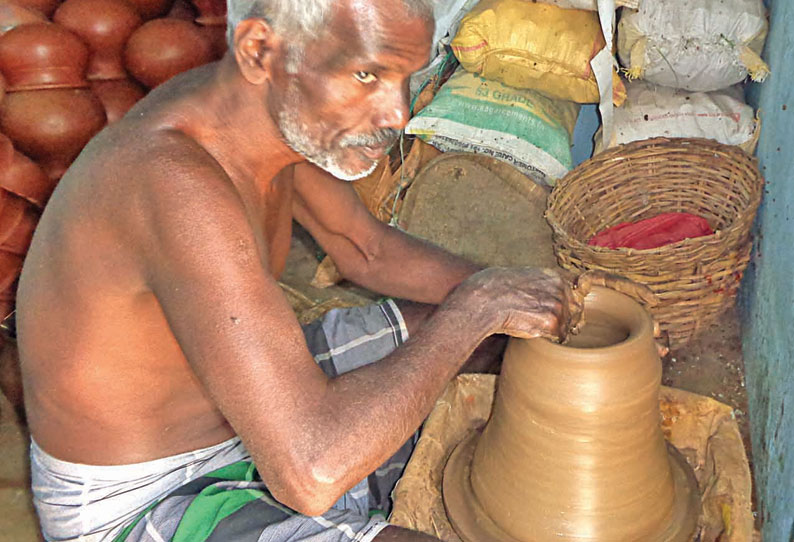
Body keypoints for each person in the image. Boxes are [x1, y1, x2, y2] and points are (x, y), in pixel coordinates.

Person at [16, 0, 574, 540]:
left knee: (497, 340)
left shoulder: (268, 111)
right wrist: (473, 309)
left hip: (252, 414)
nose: (397, 113)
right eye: (367, 74)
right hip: (147, 498)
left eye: (405, 76)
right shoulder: (175, 182)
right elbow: (313, 472)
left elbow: (366, 249)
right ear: (260, 50)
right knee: (458, 336)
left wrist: (512, 296)